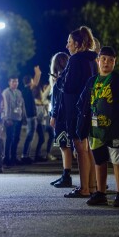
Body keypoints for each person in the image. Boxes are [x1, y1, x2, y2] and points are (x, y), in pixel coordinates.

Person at [80, 47, 119, 207]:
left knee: (118, 161)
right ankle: (101, 193)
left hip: (114, 130)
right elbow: (83, 105)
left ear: (114, 62)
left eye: (111, 60)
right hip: (96, 130)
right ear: (98, 60)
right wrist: (82, 126)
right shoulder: (91, 81)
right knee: (99, 161)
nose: (106, 62)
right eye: (103, 59)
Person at [60, 26, 99, 198]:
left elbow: (69, 86)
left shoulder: (75, 60)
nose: (67, 45)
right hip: (88, 107)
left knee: (80, 148)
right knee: (88, 148)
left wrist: (60, 81)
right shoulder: (92, 60)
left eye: (69, 42)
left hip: (76, 108)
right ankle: (92, 185)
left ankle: (84, 188)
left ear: (77, 44)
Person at [49, 52, 72, 186]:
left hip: (61, 118)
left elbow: (57, 101)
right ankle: (65, 174)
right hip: (66, 116)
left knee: (64, 146)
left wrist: (53, 116)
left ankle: (66, 176)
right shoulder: (67, 78)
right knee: (65, 146)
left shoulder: (60, 81)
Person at [20, 66, 42, 164]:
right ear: (30, 81)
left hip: (30, 116)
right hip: (31, 116)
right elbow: (36, 83)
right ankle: (25, 156)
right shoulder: (28, 90)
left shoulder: (25, 91)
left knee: (31, 136)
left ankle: (26, 155)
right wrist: (38, 73)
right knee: (30, 136)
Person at [2, 76, 25, 165]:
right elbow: (6, 106)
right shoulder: (6, 92)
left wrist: (24, 117)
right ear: (9, 83)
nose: (15, 83)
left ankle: (13, 157)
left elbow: (22, 105)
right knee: (9, 139)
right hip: (10, 118)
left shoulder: (19, 92)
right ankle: (6, 158)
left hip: (18, 118)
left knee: (16, 139)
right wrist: (7, 118)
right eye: (13, 82)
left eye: (16, 82)